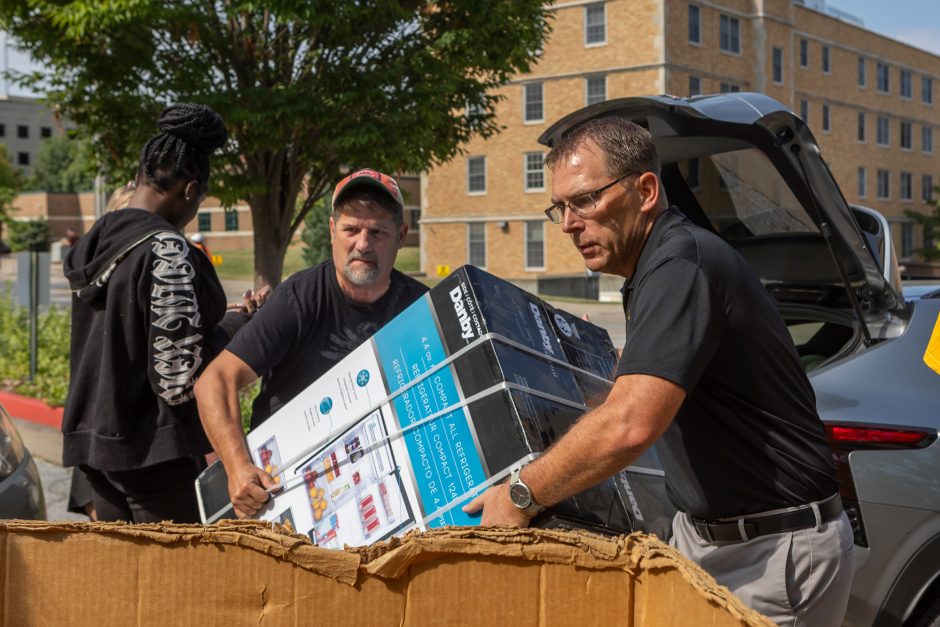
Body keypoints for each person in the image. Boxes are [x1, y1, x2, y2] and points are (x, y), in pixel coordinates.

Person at [463, 118, 854, 626]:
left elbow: (632, 423)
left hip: (772, 552)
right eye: (559, 207)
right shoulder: (654, 268)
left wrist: (520, 495)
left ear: (645, 190)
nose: (567, 223)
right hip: (707, 539)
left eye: (584, 200)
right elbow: (638, 392)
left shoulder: (680, 264)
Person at [62, 103, 257, 523]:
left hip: (97, 455)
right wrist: (238, 328)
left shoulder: (95, 242)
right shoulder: (167, 251)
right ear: (189, 190)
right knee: (176, 585)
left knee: (120, 583)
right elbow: (177, 381)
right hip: (153, 456)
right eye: (200, 197)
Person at [195, 169, 428, 519]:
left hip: (384, 497)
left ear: (401, 236)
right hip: (286, 494)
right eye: (351, 229)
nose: (363, 244)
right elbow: (214, 382)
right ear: (333, 231)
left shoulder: (422, 308)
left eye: (377, 232)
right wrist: (238, 467)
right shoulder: (297, 299)